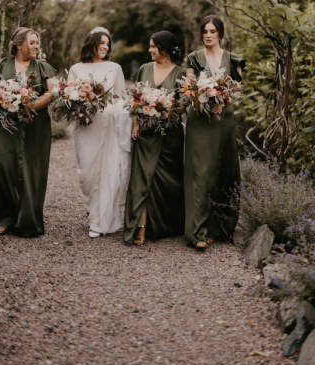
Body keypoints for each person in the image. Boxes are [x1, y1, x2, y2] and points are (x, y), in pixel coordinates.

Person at [0, 27, 56, 237]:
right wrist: (3, 96)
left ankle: (28, 219)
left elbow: (51, 93)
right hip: (3, 125)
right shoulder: (2, 65)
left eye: (37, 42)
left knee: (32, 170)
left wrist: (29, 106)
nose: (36, 46)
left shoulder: (43, 67)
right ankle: (5, 218)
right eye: (32, 42)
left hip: (35, 126)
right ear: (19, 44)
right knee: (3, 168)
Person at [184, 15, 245, 250]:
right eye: (205, 31)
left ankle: (221, 227)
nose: (208, 35)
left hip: (224, 119)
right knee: (201, 173)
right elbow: (189, 85)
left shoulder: (233, 59)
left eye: (212, 31)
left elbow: (239, 86)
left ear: (220, 33)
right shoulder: (194, 58)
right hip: (200, 120)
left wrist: (223, 96)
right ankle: (196, 232)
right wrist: (203, 93)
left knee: (225, 170)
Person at [68, 27, 131, 239]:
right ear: (91, 43)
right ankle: (93, 209)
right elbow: (68, 97)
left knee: (107, 171)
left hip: (108, 125)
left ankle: (99, 219)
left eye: (107, 44)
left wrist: (118, 110)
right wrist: (79, 103)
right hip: (86, 126)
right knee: (86, 173)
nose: (105, 46)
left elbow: (121, 97)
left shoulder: (115, 68)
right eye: (101, 42)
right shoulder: (76, 68)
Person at [124, 31, 185, 246]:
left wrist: (167, 110)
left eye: (152, 46)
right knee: (140, 180)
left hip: (170, 136)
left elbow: (183, 105)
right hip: (146, 134)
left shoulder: (180, 74)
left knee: (166, 182)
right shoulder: (144, 69)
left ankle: (161, 224)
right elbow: (135, 99)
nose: (149, 50)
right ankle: (139, 226)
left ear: (164, 49)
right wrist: (135, 123)